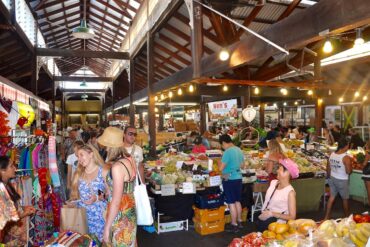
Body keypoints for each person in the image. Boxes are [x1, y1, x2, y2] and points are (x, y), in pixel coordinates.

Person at [98, 127, 137, 246]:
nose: (105, 147)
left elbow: (116, 201)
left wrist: (107, 227)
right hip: (130, 209)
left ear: (110, 146)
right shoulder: (130, 159)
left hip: (120, 215)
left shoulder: (117, 167)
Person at [68, 144, 108, 241]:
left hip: (99, 217)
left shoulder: (103, 171)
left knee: (99, 242)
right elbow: (76, 195)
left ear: (91, 154)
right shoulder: (78, 174)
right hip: (82, 216)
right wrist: (72, 202)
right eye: (78, 156)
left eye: (81, 155)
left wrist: (97, 198)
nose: (79, 159)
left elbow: (108, 194)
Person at [0, 156, 36, 246]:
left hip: (14, 236)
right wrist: (25, 213)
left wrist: (23, 208)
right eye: (11, 166)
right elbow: (6, 218)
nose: (15, 168)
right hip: (7, 238)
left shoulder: (7, 185)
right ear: (2, 170)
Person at [257, 158, 298, 231]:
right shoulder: (273, 183)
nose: (277, 171)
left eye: (280, 169)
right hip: (264, 219)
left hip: (277, 226)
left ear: (287, 173)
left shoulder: (290, 192)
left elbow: (292, 217)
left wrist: (272, 214)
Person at [219, 134, 244, 233]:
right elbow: (243, 165)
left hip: (230, 178)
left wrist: (220, 163)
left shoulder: (227, 152)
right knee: (237, 200)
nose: (222, 147)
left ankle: (234, 224)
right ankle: (240, 221)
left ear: (224, 143)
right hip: (239, 178)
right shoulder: (238, 149)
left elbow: (221, 168)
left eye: (222, 145)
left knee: (231, 202)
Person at [324, 138, 352, 220]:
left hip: (332, 178)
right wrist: (351, 168)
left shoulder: (332, 154)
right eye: (348, 145)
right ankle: (347, 218)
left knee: (332, 197)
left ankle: (326, 217)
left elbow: (328, 168)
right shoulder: (346, 157)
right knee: (345, 199)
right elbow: (348, 172)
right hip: (342, 180)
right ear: (346, 146)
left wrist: (329, 177)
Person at [362, 140, 370, 206]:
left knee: (369, 190)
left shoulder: (368, 153)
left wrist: (361, 165)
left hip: (368, 173)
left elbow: (364, 164)